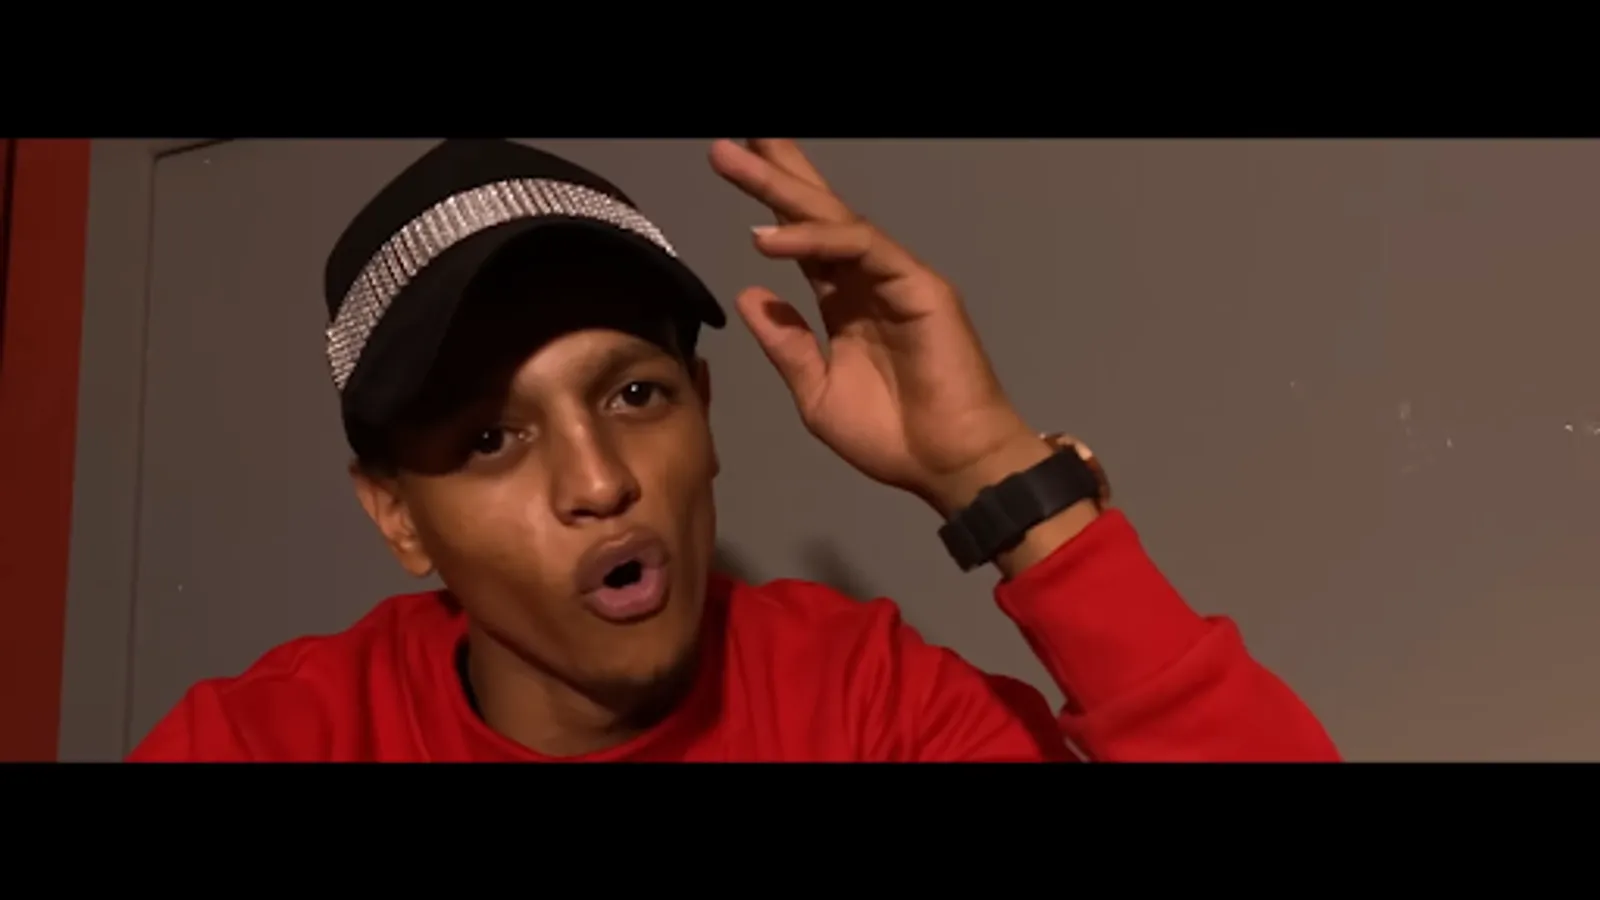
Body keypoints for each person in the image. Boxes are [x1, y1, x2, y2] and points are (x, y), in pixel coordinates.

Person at [129, 138, 1339, 762]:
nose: (599, 480)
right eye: (490, 437)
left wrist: (991, 472)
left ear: (706, 416)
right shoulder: (266, 744)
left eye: (636, 394)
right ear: (397, 514)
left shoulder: (864, 705)